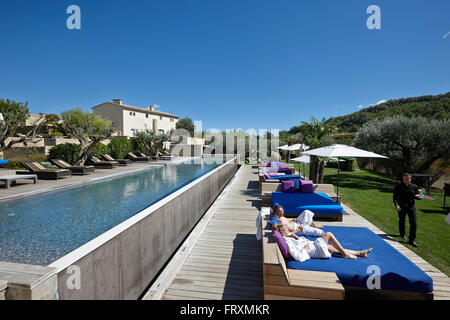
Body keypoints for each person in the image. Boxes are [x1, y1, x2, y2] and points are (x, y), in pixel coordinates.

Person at [272, 223, 373, 261]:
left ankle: (361, 253)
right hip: (313, 250)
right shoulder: (287, 241)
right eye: (286, 230)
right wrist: (306, 248)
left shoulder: (289, 236)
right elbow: (298, 257)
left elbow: (293, 234)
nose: (289, 231)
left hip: (313, 245)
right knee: (328, 234)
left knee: (332, 247)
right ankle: (344, 254)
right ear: (283, 234)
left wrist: (303, 240)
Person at [393, 173, 421, 247]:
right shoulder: (398, 186)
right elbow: (395, 197)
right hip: (401, 207)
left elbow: (417, 196)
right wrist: (397, 205)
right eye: (404, 179)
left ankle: (412, 240)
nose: (406, 180)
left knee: (413, 223)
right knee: (402, 221)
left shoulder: (414, 187)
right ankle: (402, 234)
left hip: (411, 207)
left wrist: (420, 196)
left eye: (407, 179)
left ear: (410, 179)